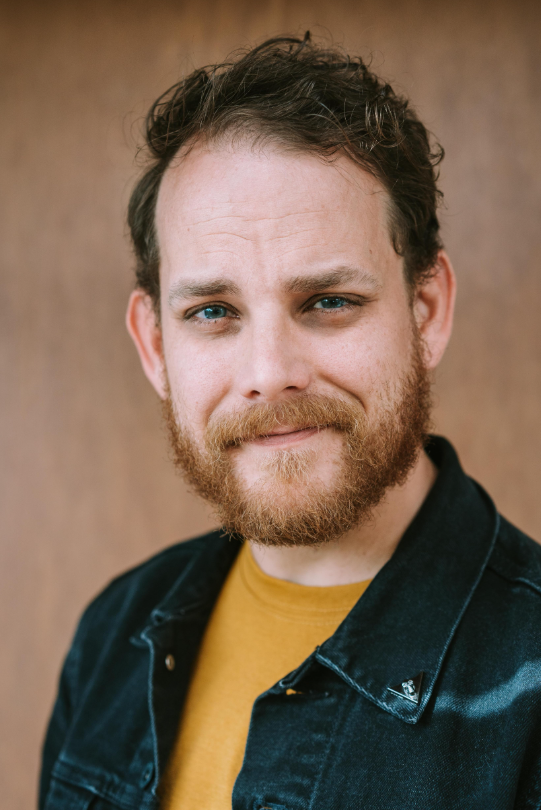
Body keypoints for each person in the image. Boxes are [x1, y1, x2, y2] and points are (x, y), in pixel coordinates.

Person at [39, 34, 541, 810]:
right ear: (155, 346)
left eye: (329, 301)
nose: (270, 371)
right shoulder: (114, 634)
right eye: (212, 311)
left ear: (426, 311)